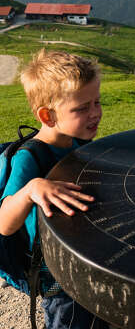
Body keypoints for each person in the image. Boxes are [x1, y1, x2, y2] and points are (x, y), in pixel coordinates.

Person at [0, 50, 108, 329]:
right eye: (82, 108)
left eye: (97, 102)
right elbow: (3, 223)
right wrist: (30, 190)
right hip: (59, 280)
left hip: (85, 262)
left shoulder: (77, 141)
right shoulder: (30, 157)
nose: (95, 113)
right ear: (47, 116)